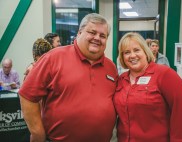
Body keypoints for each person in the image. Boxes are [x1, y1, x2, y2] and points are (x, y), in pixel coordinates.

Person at [19, 13, 118, 142]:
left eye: (102, 35)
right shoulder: (54, 58)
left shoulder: (111, 67)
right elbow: (27, 96)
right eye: (92, 32)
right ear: (79, 32)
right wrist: (37, 134)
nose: (97, 38)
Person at [114, 32, 182, 142]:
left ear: (146, 52)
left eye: (137, 50)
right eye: (127, 52)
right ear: (122, 57)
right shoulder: (121, 79)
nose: (132, 55)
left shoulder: (164, 74)